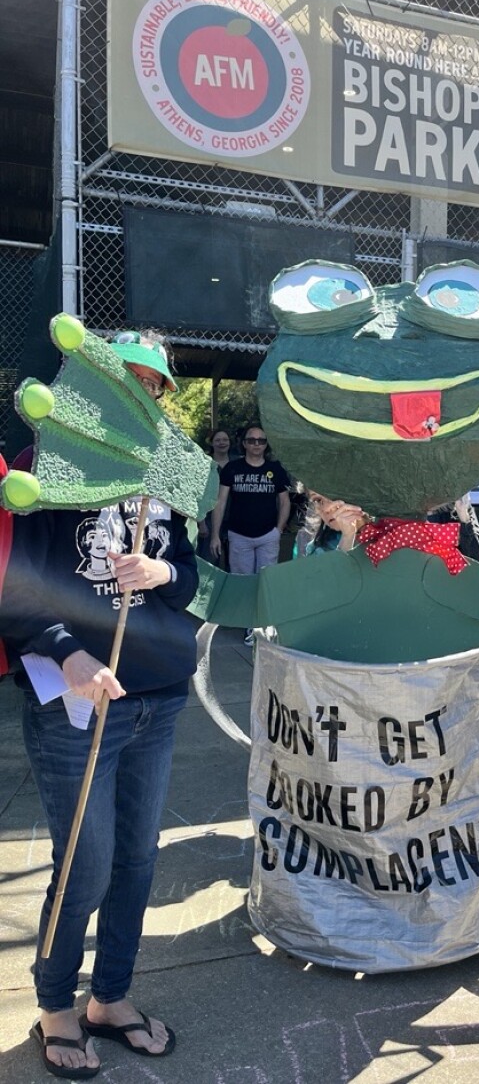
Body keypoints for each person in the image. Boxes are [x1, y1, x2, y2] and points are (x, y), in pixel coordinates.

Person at [0, 330, 196, 1078]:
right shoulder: (42, 464)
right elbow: (13, 587)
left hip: (157, 694)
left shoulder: (168, 470)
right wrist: (69, 650)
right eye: (126, 382)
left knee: (138, 861)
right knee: (87, 861)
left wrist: (164, 569)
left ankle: (110, 997)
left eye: (152, 387)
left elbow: (194, 578)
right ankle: (56, 1005)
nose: (141, 397)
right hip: (76, 701)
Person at [210, 425, 291, 645]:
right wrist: (215, 535)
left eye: (261, 441)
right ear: (244, 443)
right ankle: (250, 626)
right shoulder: (232, 469)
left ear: (266, 444)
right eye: (252, 440)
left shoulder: (276, 469)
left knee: (265, 582)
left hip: (268, 535)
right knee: (244, 584)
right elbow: (220, 502)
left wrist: (279, 530)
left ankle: (263, 626)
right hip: (239, 535)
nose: (256, 444)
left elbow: (285, 501)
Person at [196, 428, 236, 566]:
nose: (222, 443)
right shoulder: (204, 465)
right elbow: (197, 494)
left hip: (234, 521)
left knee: (235, 566)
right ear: (211, 443)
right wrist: (201, 523)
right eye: (218, 440)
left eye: (225, 440)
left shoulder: (237, 464)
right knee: (209, 563)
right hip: (208, 520)